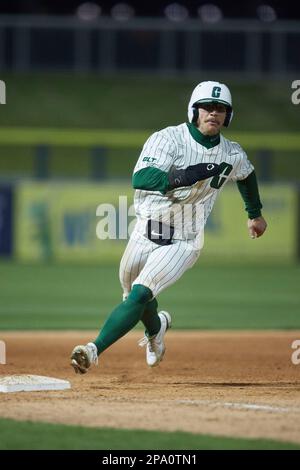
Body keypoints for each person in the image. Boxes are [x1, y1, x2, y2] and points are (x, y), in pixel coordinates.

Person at [70, 80, 267, 374]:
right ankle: (157, 328)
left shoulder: (232, 153)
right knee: (132, 296)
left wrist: (254, 213)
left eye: (220, 109)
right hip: (145, 230)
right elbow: (142, 178)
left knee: (139, 294)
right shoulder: (168, 139)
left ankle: (92, 350)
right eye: (207, 107)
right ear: (194, 111)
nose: (213, 113)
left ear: (228, 116)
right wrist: (186, 175)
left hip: (185, 239)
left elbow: (247, 175)